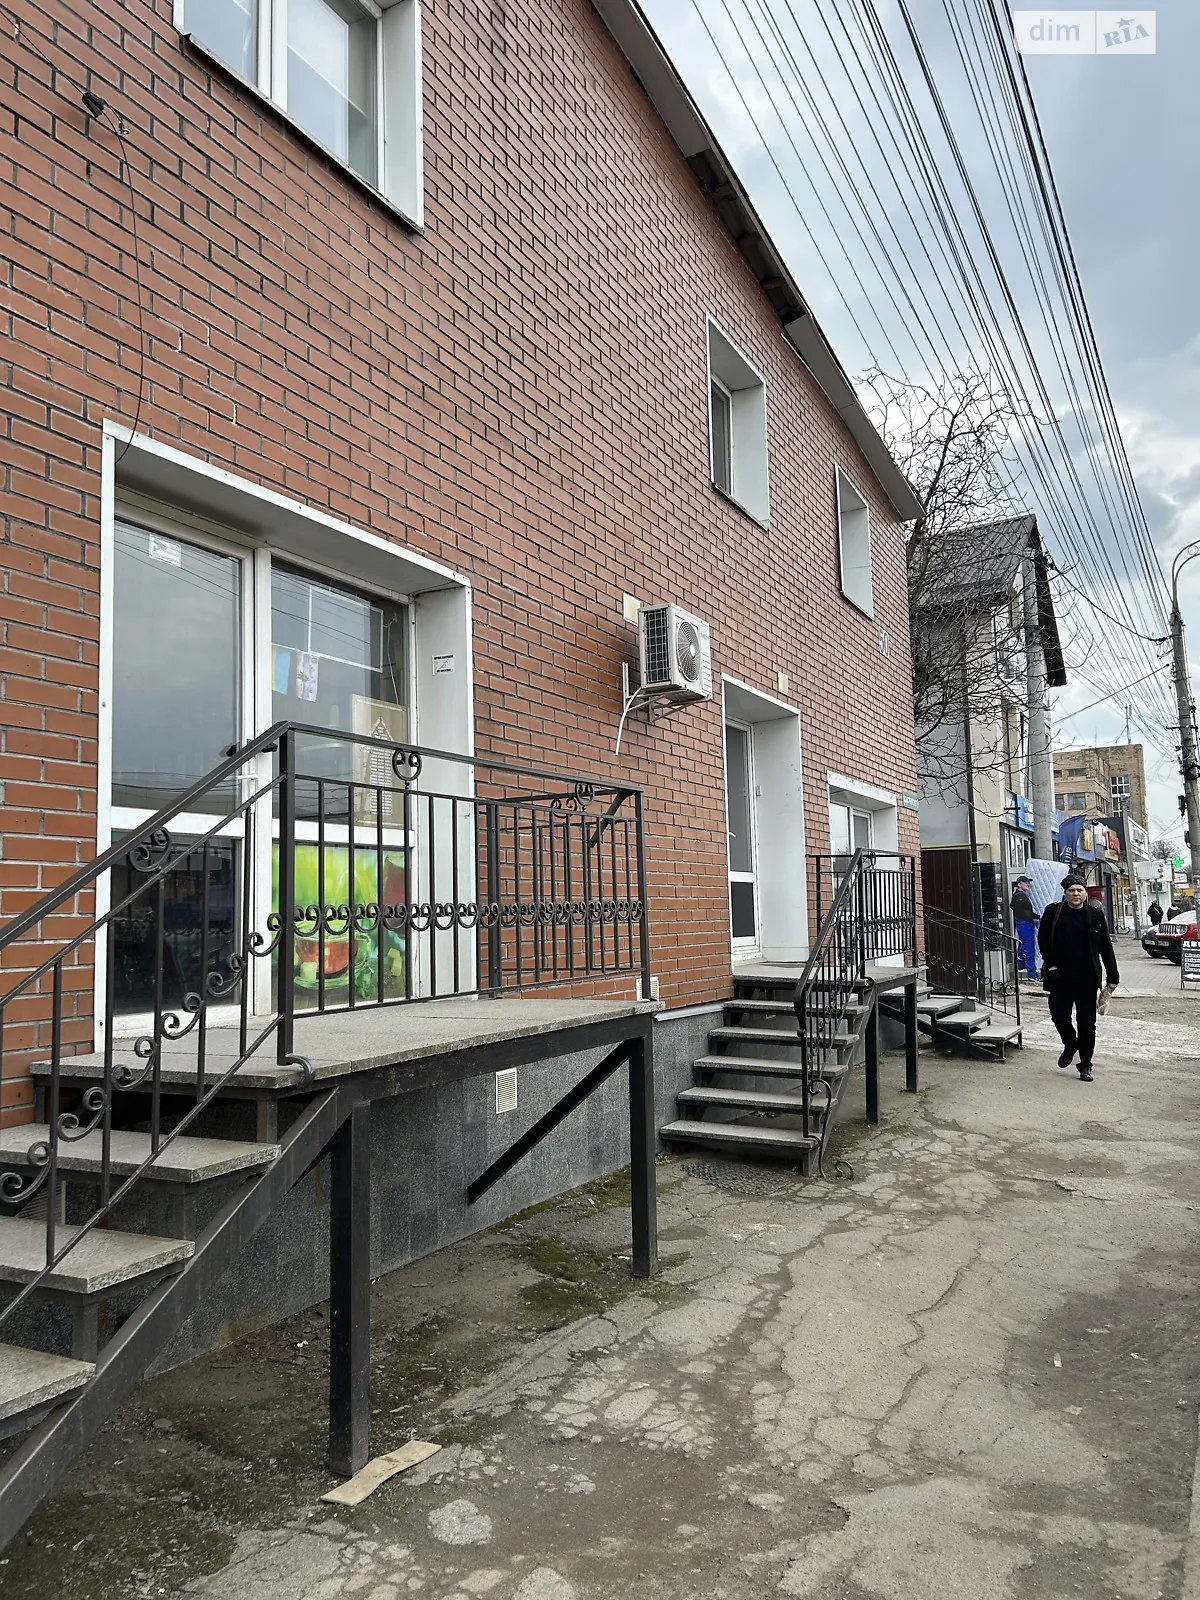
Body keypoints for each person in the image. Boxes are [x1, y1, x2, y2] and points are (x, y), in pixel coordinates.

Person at [1037, 872, 1119, 1082]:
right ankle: (1071, 1044)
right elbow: (1043, 939)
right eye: (1071, 890)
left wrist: (1113, 975)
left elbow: (1105, 946)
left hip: (1087, 978)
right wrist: (1050, 964)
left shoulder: (1095, 915)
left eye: (1079, 890)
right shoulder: (1053, 912)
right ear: (1065, 893)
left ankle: (1085, 1065)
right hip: (1060, 976)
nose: (1075, 894)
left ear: (1085, 893)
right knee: (1059, 1016)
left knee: (1087, 1023)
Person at [1010, 874, 1039, 978]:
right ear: (1019, 884)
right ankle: (1032, 974)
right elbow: (1025, 913)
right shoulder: (1020, 897)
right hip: (1025, 923)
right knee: (1028, 947)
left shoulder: (1018, 895)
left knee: (1023, 945)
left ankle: (1020, 965)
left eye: (1028, 882)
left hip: (1024, 922)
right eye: (1025, 882)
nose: (1028, 884)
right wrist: (1038, 917)